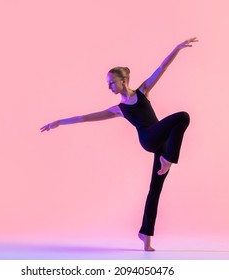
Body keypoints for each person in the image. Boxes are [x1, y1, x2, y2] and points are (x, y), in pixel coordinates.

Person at [41, 37, 198, 251]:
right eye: (108, 84)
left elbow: (162, 67)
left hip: (161, 141)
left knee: (155, 188)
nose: (109, 86)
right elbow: (85, 118)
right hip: (148, 139)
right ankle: (168, 160)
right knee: (182, 117)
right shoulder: (119, 109)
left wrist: (177, 49)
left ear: (123, 81)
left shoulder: (143, 91)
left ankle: (145, 235)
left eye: (111, 82)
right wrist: (59, 122)